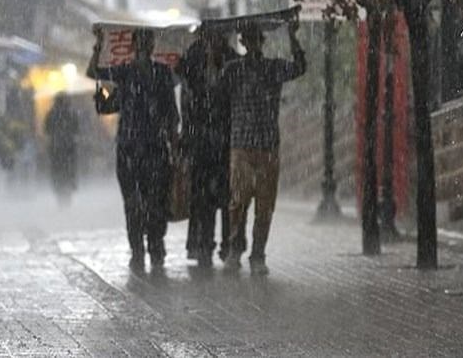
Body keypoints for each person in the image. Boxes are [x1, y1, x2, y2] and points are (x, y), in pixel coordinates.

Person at [88, 28, 179, 272]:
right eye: (140, 43)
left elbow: (171, 112)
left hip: (155, 147)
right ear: (134, 46)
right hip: (129, 148)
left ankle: (156, 246)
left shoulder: (162, 73)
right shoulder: (125, 73)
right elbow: (94, 72)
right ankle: (138, 249)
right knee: (133, 202)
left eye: (147, 43)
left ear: (151, 46)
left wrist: (174, 142)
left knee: (156, 201)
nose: (143, 47)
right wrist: (98, 45)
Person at [221, 19, 306, 275]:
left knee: (264, 205)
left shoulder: (273, 68)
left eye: (256, 39)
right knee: (238, 201)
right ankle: (235, 249)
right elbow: (215, 90)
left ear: (261, 41)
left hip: (267, 145)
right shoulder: (233, 69)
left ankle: (258, 253)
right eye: (248, 39)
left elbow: (300, 67)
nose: (252, 44)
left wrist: (293, 37)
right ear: (243, 42)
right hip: (242, 145)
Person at [177, 28, 244, 268]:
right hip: (201, 141)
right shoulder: (193, 59)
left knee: (227, 197)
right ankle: (203, 245)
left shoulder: (233, 61)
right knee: (202, 197)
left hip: (226, 140)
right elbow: (186, 95)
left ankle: (229, 245)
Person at [44, 93, 79, 206]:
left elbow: (47, 130)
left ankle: (60, 196)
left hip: (56, 148)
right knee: (68, 171)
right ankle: (67, 195)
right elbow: (77, 129)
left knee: (58, 172)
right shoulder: (71, 113)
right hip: (69, 148)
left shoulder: (51, 114)